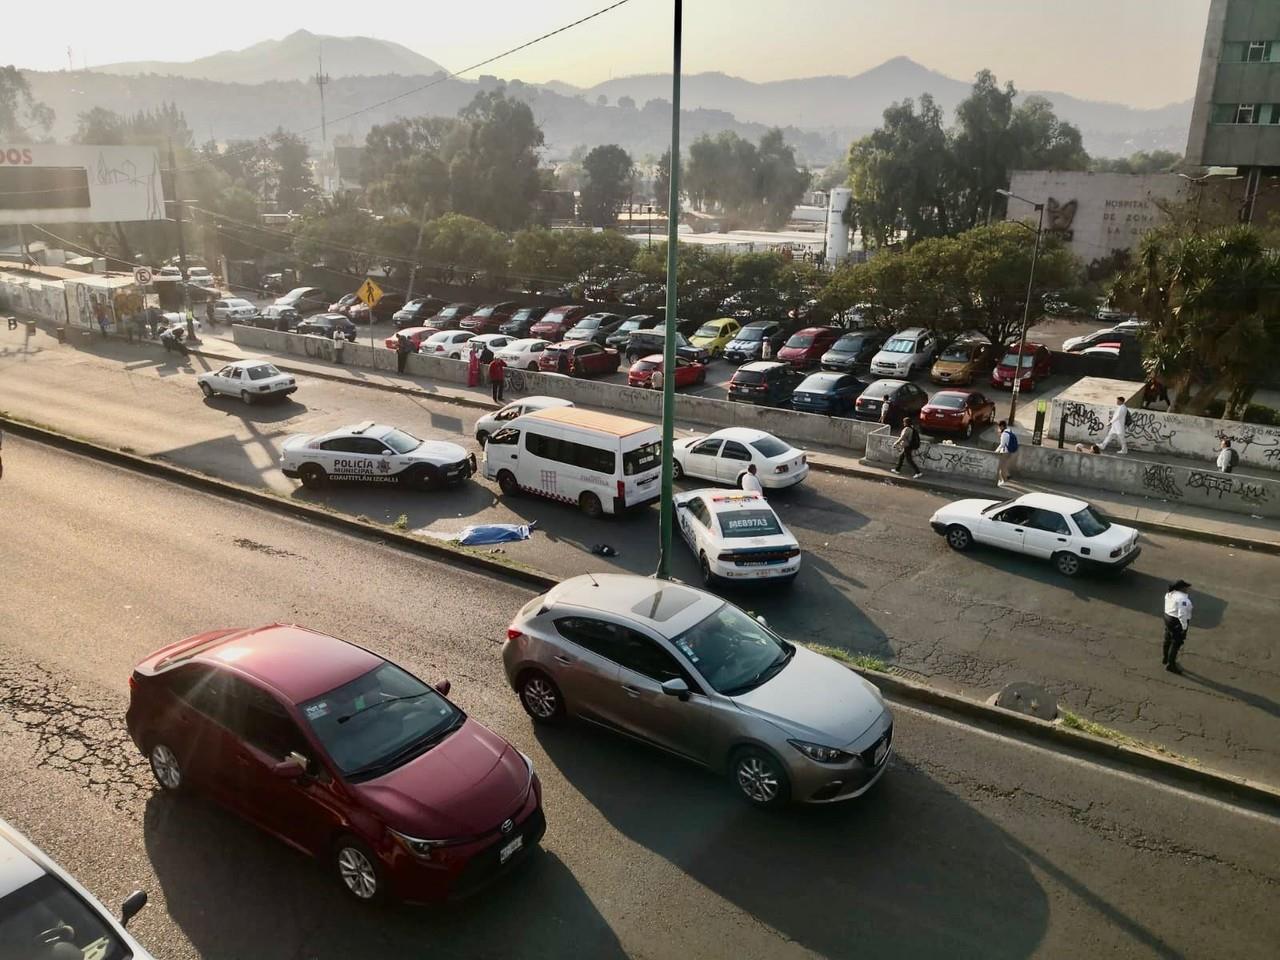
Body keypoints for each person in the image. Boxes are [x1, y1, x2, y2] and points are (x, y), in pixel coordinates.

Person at [1162, 579, 1193, 674]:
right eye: (1187, 587)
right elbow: (1182, 615)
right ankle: (1171, 665)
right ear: (1182, 588)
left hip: (1168, 619)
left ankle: (1165, 658)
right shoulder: (1183, 600)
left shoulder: (1169, 594)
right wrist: (1184, 627)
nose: (1188, 589)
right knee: (1176, 643)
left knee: (1167, 639)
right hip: (1177, 622)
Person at [995, 420, 1019, 486]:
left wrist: (996, 451)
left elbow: (1002, 444)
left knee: (1001, 468)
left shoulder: (1004, 434)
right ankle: (1006, 476)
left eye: (999, 427)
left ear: (1002, 426)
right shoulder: (1009, 432)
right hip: (1009, 452)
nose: (999, 428)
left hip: (1005, 452)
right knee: (1003, 466)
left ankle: (1004, 481)